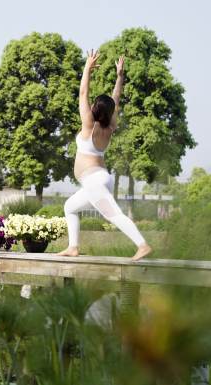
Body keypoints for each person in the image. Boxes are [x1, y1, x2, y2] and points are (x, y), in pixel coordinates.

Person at [56, 49, 152, 261]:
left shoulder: (89, 124)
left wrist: (87, 69)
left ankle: (142, 245)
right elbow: (115, 98)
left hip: (94, 183)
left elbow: (82, 93)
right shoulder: (110, 126)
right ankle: (73, 247)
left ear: (93, 109)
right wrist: (119, 77)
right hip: (100, 180)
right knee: (70, 207)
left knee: (114, 215)